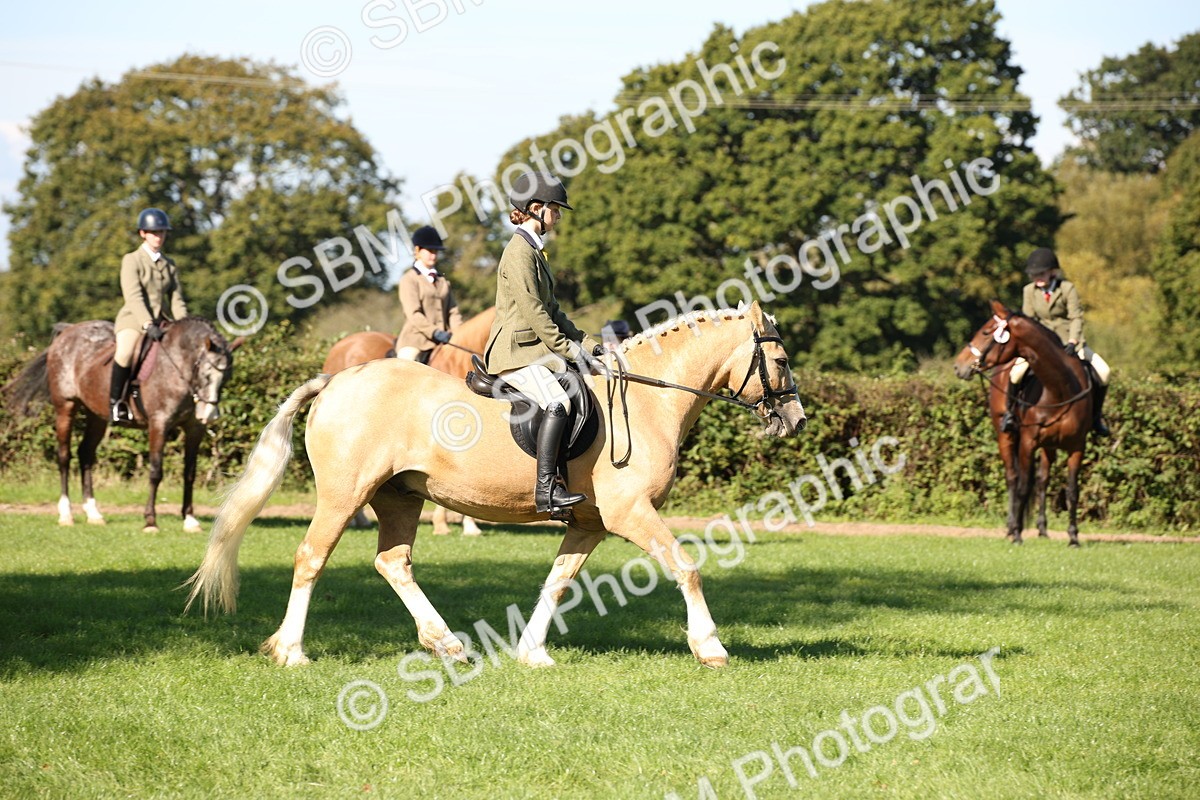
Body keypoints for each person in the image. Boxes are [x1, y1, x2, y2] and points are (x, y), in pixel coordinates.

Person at [484, 172, 603, 517]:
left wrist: (589, 345)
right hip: (516, 353)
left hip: (534, 351)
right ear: (536, 208)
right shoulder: (519, 253)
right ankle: (547, 488)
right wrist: (570, 352)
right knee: (558, 400)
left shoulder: (535, 252)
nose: (559, 215)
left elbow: (554, 310)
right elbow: (535, 314)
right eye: (556, 209)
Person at [1000, 247, 1111, 436]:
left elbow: (1076, 317)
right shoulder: (1028, 291)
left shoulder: (1067, 289)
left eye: (1042, 273)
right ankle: (1010, 414)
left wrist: (1073, 340)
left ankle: (1096, 417)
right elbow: (1029, 321)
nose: (1038, 278)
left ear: (1052, 272)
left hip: (1070, 342)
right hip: (1041, 345)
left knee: (1104, 372)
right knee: (1015, 373)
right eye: (1034, 274)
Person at [110, 208, 189, 423]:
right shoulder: (132, 260)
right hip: (133, 320)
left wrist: (184, 325)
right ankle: (116, 403)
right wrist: (146, 323)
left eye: (162, 232)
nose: (159, 237)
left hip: (162, 321)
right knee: (125, 352)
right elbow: (133, 296)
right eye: (154, 232)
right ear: (143, 233)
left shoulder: (169, 264)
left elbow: (176, 299)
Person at [396, 225, 462, 363]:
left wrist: (459, 334)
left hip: (444, 340)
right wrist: (434, 332)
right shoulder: (409, 279)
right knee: (406, 364)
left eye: (436, 251)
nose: (434, 255)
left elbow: (453, 311)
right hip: (417, 341)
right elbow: (413, 314)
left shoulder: (443, 281)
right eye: (430, 250)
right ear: (417, 250)